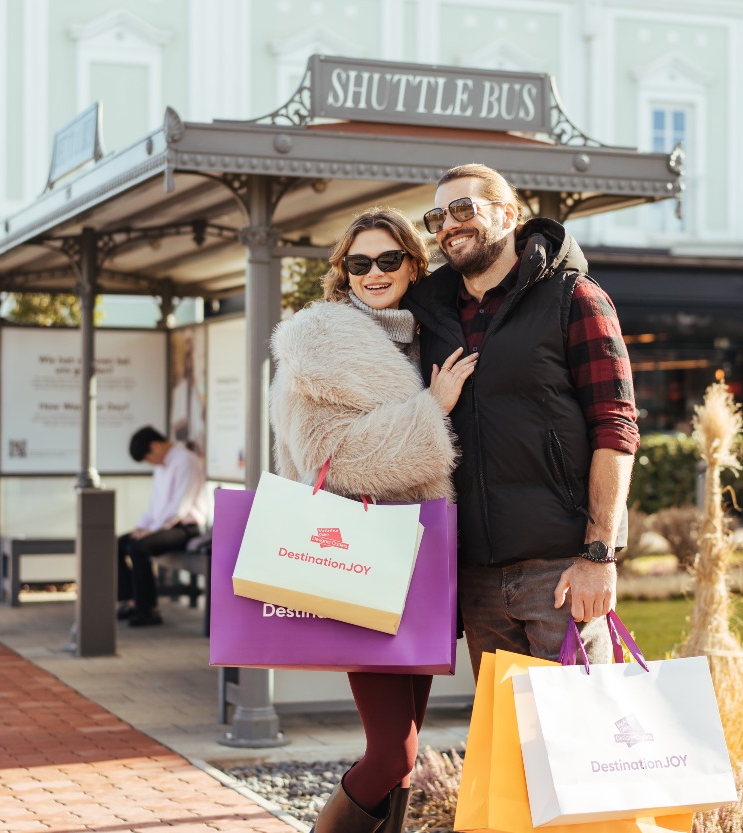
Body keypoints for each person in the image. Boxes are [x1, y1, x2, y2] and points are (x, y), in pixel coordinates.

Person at [269, 207, 475, 833]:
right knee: (393, 751)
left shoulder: (430, 335)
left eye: (389, 259)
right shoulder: (321, 347)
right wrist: (429, 410)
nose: (375, 273)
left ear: (415, 263)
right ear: (344, 273)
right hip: (365, 558)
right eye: (360, 263)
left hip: (424, 563)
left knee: (408, 753)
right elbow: (333, 459)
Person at [403, 163, 640, 677]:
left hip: (560, 571)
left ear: (509, 214)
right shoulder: (434, 318)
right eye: (437, 215)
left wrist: (599, 554)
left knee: (580, 738)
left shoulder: (574, 297)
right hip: (476, 578)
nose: (449, 224)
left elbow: (615, 428)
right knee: (509, 743)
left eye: (464, 208)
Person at [116, 425, 211, 627]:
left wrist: (150, 532)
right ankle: (131, 600)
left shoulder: (186, 460)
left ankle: (148, 609)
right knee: (120, 544)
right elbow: (154, 506)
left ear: (155, 445)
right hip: (164, 526)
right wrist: (140, 528)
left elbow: (179, 507)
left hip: (184, 529)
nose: (150, 462)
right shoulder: (162, 466)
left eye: (147, 457)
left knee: (139, 548)